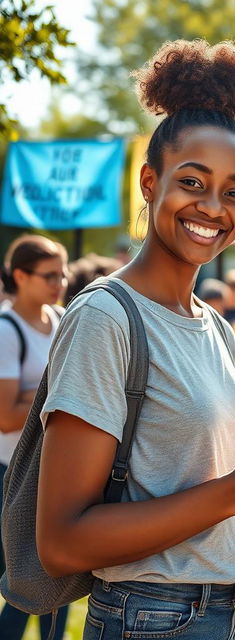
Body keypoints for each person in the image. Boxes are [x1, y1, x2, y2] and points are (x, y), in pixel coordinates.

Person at [34, 39, 235, 640]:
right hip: (151, 617)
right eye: (193, 181)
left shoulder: (216, 327)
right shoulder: (106, 317)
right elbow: (62, 543)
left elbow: (199, 481)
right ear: (151, 182)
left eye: (234, 191)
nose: (213, 207)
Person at [0, 235, 69, 640]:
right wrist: (53, 394)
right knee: (23, 580)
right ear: (20, 276)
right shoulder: (7, 330)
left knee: (55, 577)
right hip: (12, 471)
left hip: (56, 468)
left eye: (63, 273)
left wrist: (34, 393)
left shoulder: (63, 318)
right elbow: (6, 418)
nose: (59, 282)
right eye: (49, 275)